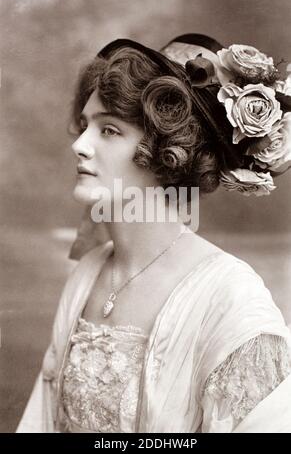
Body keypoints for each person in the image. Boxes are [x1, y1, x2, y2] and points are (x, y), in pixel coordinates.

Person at [16, 34, 291, 433]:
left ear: (167, 153)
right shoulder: (87, 274)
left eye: (108, 130)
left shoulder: (230, 300)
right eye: (84, 125)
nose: (79, 144)